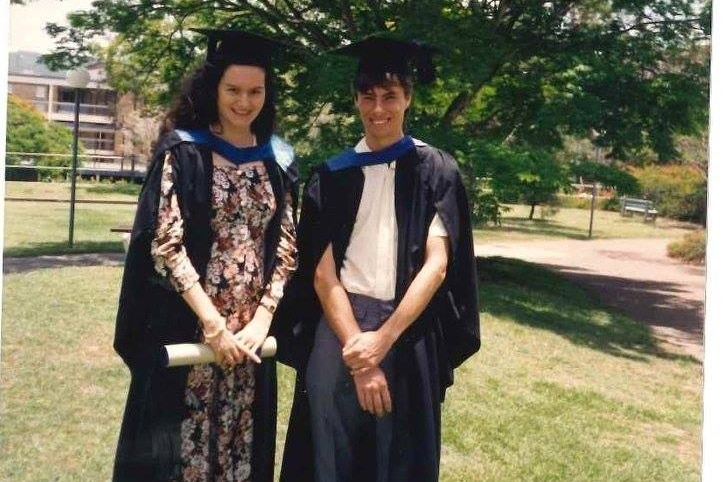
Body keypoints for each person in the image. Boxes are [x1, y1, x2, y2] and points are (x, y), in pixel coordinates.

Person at [277, 36, 481, 482]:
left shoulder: (435, 170)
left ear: (408, 98)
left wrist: (382, 341)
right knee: (328, 444)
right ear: (355, 101)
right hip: (340, 323)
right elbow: (321, 273)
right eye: (368, 96)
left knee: (398, 453)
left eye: (390, 96)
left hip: (405, 327)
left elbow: (438, 265)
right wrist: (359, 348)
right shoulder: (332, 176)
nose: (378, 108)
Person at [112, 29, 298, 482]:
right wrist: (213, 324)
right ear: (212, 88)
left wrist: (262, 319)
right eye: (232, 90)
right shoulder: (185, 150)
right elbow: (166, 243)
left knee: (241, 449)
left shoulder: (280, 159)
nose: (243, 101)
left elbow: (289, 244)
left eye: (255, 91)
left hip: (251, 341)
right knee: (181, 456)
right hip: (191, 329)